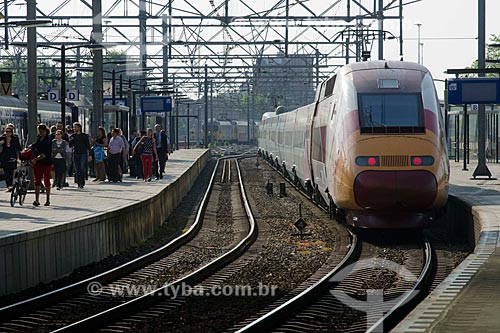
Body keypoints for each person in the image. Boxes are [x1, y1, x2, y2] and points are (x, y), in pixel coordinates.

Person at [30, 124, 52, 206]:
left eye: (41, 131)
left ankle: (47, 200)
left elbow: (45, 154)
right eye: (39, 131)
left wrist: (35, 159)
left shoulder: (48, 140)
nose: (40, 133)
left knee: (46, 180)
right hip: (38, 163)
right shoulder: (39, 138)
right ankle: (36, 200)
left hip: (46, 163)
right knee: (37, 181)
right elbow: (33, 146)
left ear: (45, 131)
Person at [69, 122, 91, 189]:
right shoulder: (73, 136)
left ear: (79, 128)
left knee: (82, 168)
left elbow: (88, 145)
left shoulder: (84, 136)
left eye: (75, 127)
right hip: (76, 153)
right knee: (77, 169)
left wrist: (90, 154)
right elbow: (70, 146)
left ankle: (82, 182)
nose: (74, 128)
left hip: (83, 153)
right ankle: (79, 183)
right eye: (74, 127)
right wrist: (70, 141)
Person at [0, 125, 22, 192]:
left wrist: (20, 158)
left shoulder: (15, 138)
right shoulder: (2, 138)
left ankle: (10, 185)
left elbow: (19, 148)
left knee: (12, 171)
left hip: (13, 157)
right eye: (6, 131)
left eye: (9, 131)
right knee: (6, 172)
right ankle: (8, 186)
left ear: (12, 132)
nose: (8, 133)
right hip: (4, 157)